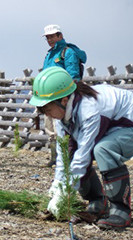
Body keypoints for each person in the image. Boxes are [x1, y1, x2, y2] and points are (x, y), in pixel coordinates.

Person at [29, 66, 133, 229]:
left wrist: (66, 192)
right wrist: (57, 184)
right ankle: (97, 199)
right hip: (113, 127)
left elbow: (83, 154)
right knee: (72, 153)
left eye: (48, 109)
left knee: (103, 150)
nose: (47, 114)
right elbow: (63, 155)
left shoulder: (89, 110)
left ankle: (120, 211)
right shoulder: (61, 118)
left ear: (64, 100)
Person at [41, 24, 87, 167]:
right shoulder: (49, 54)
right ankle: (55, 157)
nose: (50, 39)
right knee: (50, 128)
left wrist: (66, 97)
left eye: (52, 36)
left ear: (60, 36)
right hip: (48, 97)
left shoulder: (67, 52)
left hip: (61, 97)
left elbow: (73, 76)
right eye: (47, 37)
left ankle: (66, 158)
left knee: (61, 127)